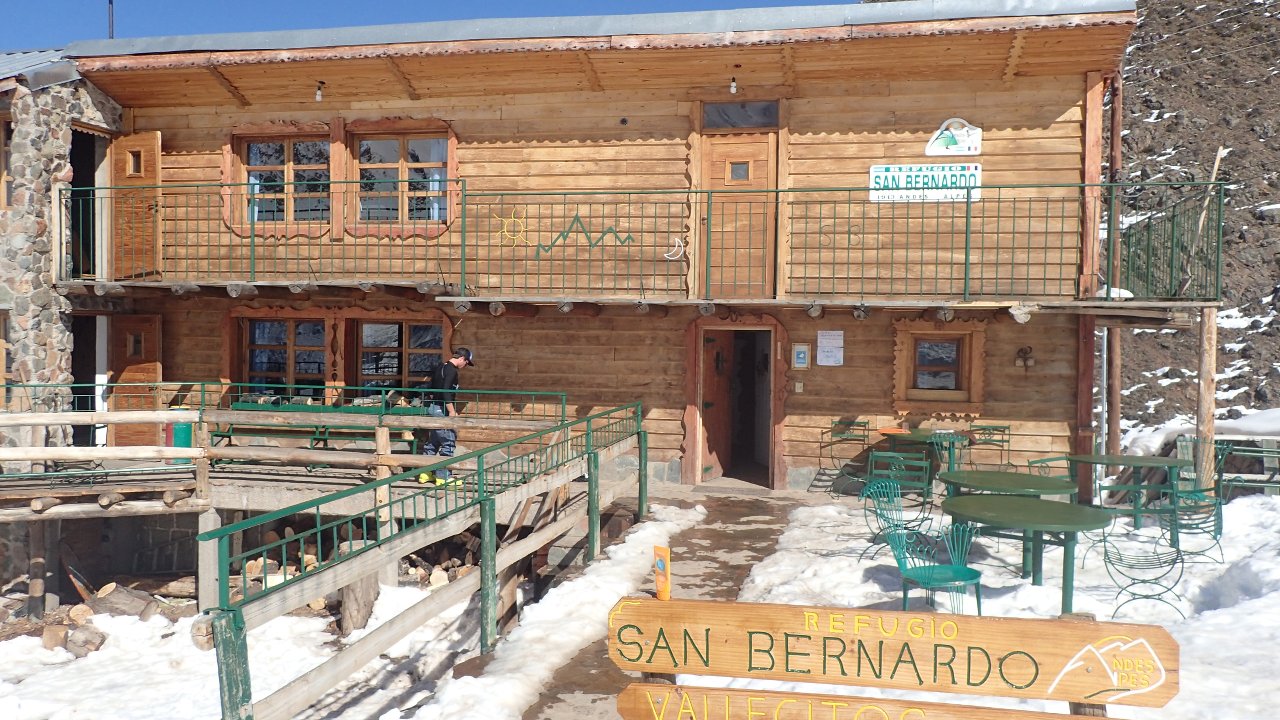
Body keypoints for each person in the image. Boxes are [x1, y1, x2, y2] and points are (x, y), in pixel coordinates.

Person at [418, 347, 475, 485]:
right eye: (466, 362)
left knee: (433, 442)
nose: (465, 366)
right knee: (448, 441)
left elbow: (431, 388)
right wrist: (451, 411)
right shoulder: (451, 371)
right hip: (442, 408)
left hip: (433, 407)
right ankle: (443, 478)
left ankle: (425, 473)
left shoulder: (440, 367)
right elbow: (445, 390)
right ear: (462, 358)